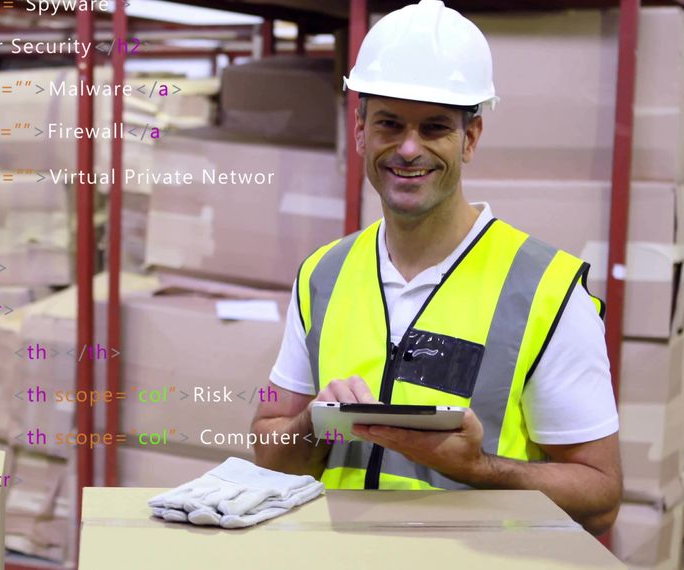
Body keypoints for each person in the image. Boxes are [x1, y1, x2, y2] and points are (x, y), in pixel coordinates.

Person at [250, 0, 621, 535]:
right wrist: (313, 424)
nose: (407, 148)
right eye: (389, 123)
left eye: (434, 128)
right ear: (360, 131)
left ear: (469, 139)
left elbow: (601, 494)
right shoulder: (323, 275)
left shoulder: (546, 290)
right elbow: (269, 441)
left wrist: (479, 469)